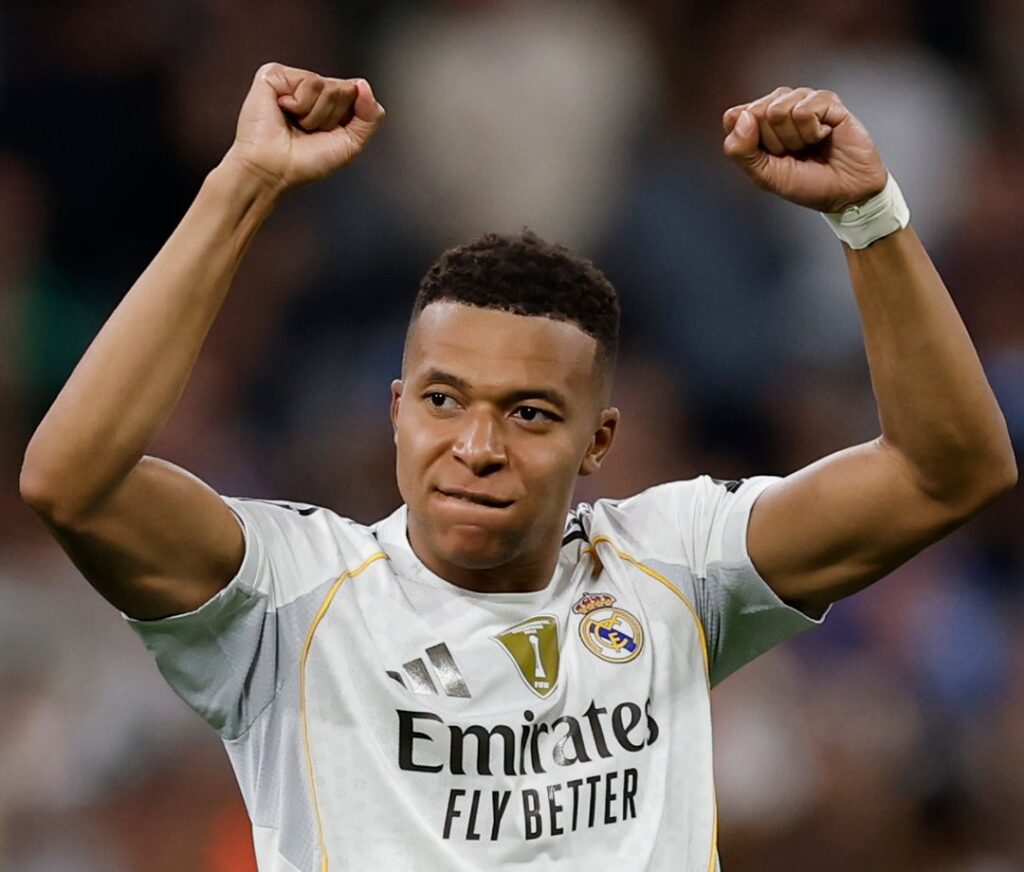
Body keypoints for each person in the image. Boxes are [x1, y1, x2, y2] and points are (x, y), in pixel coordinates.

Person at [19, 63, 1016, 871]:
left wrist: (868, 216)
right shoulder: (290, 594)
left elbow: (948, 471)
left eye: (529, 413)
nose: (477, 446)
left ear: (599, 442)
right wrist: (242, 184)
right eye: (443, 400)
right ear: (396, 411)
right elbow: (73, 481)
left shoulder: (674, 563)